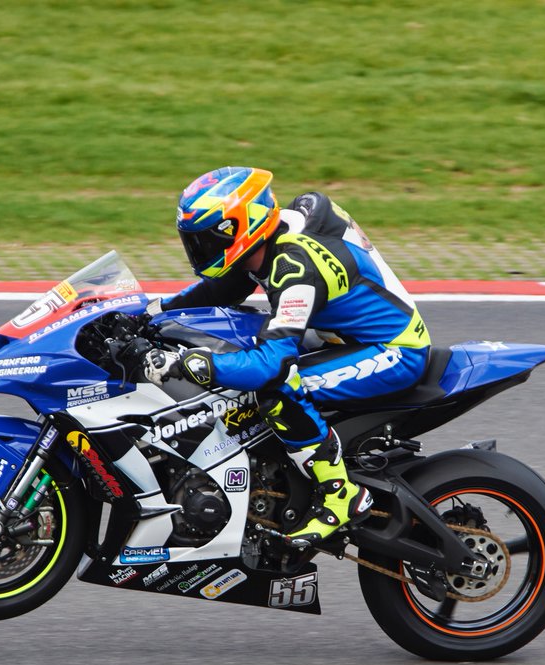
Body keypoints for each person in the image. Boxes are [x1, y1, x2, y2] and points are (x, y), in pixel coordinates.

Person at [143, 166, 431, 548]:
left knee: (275, 387)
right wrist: (151, 310)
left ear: (240, 227)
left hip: (394, 350)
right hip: (342, 337)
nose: (199, 249)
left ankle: (340, 495)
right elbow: (225, 287)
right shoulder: (271, 240)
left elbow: (272, 365)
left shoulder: (294, 268)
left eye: (207, 239)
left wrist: (193, 365)